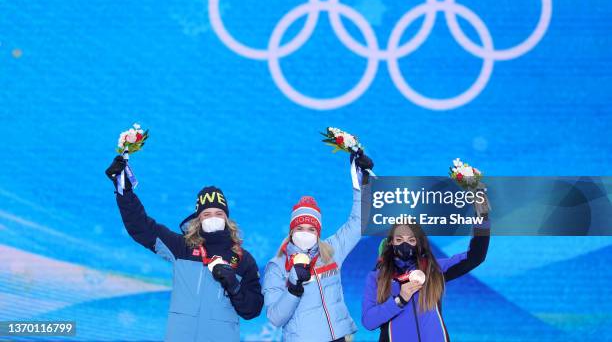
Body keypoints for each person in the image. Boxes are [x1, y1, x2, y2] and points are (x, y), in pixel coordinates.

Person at [105, 155, 263, 342]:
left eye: (219, 213)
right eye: (207, 214)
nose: (214, 217)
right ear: (198, 219)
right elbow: (141, 227)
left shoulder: (243, 259)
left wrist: (233, 285)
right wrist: (124, 190)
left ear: (227, 219)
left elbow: (252, 311)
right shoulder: (182, 248)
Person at [263, 150, 374, 342]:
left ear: (318, 232)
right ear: (291, 231)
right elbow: (275, 318)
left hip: (339, 337)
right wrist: (293, 288)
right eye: (300, 228)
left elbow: (359, 222)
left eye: (311, 229)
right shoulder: (278, 265)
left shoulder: (330, 251)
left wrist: (363, 183)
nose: (305, 233)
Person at [361, 200, 490, 341]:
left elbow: (476, 256)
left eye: (411, 240)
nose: (405, 244)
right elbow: (369, 322)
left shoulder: (432, 269)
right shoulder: (377, 277)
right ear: (391, 242)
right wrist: (400, 300)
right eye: (399, 239)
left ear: (418, 243)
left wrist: (481, 216)